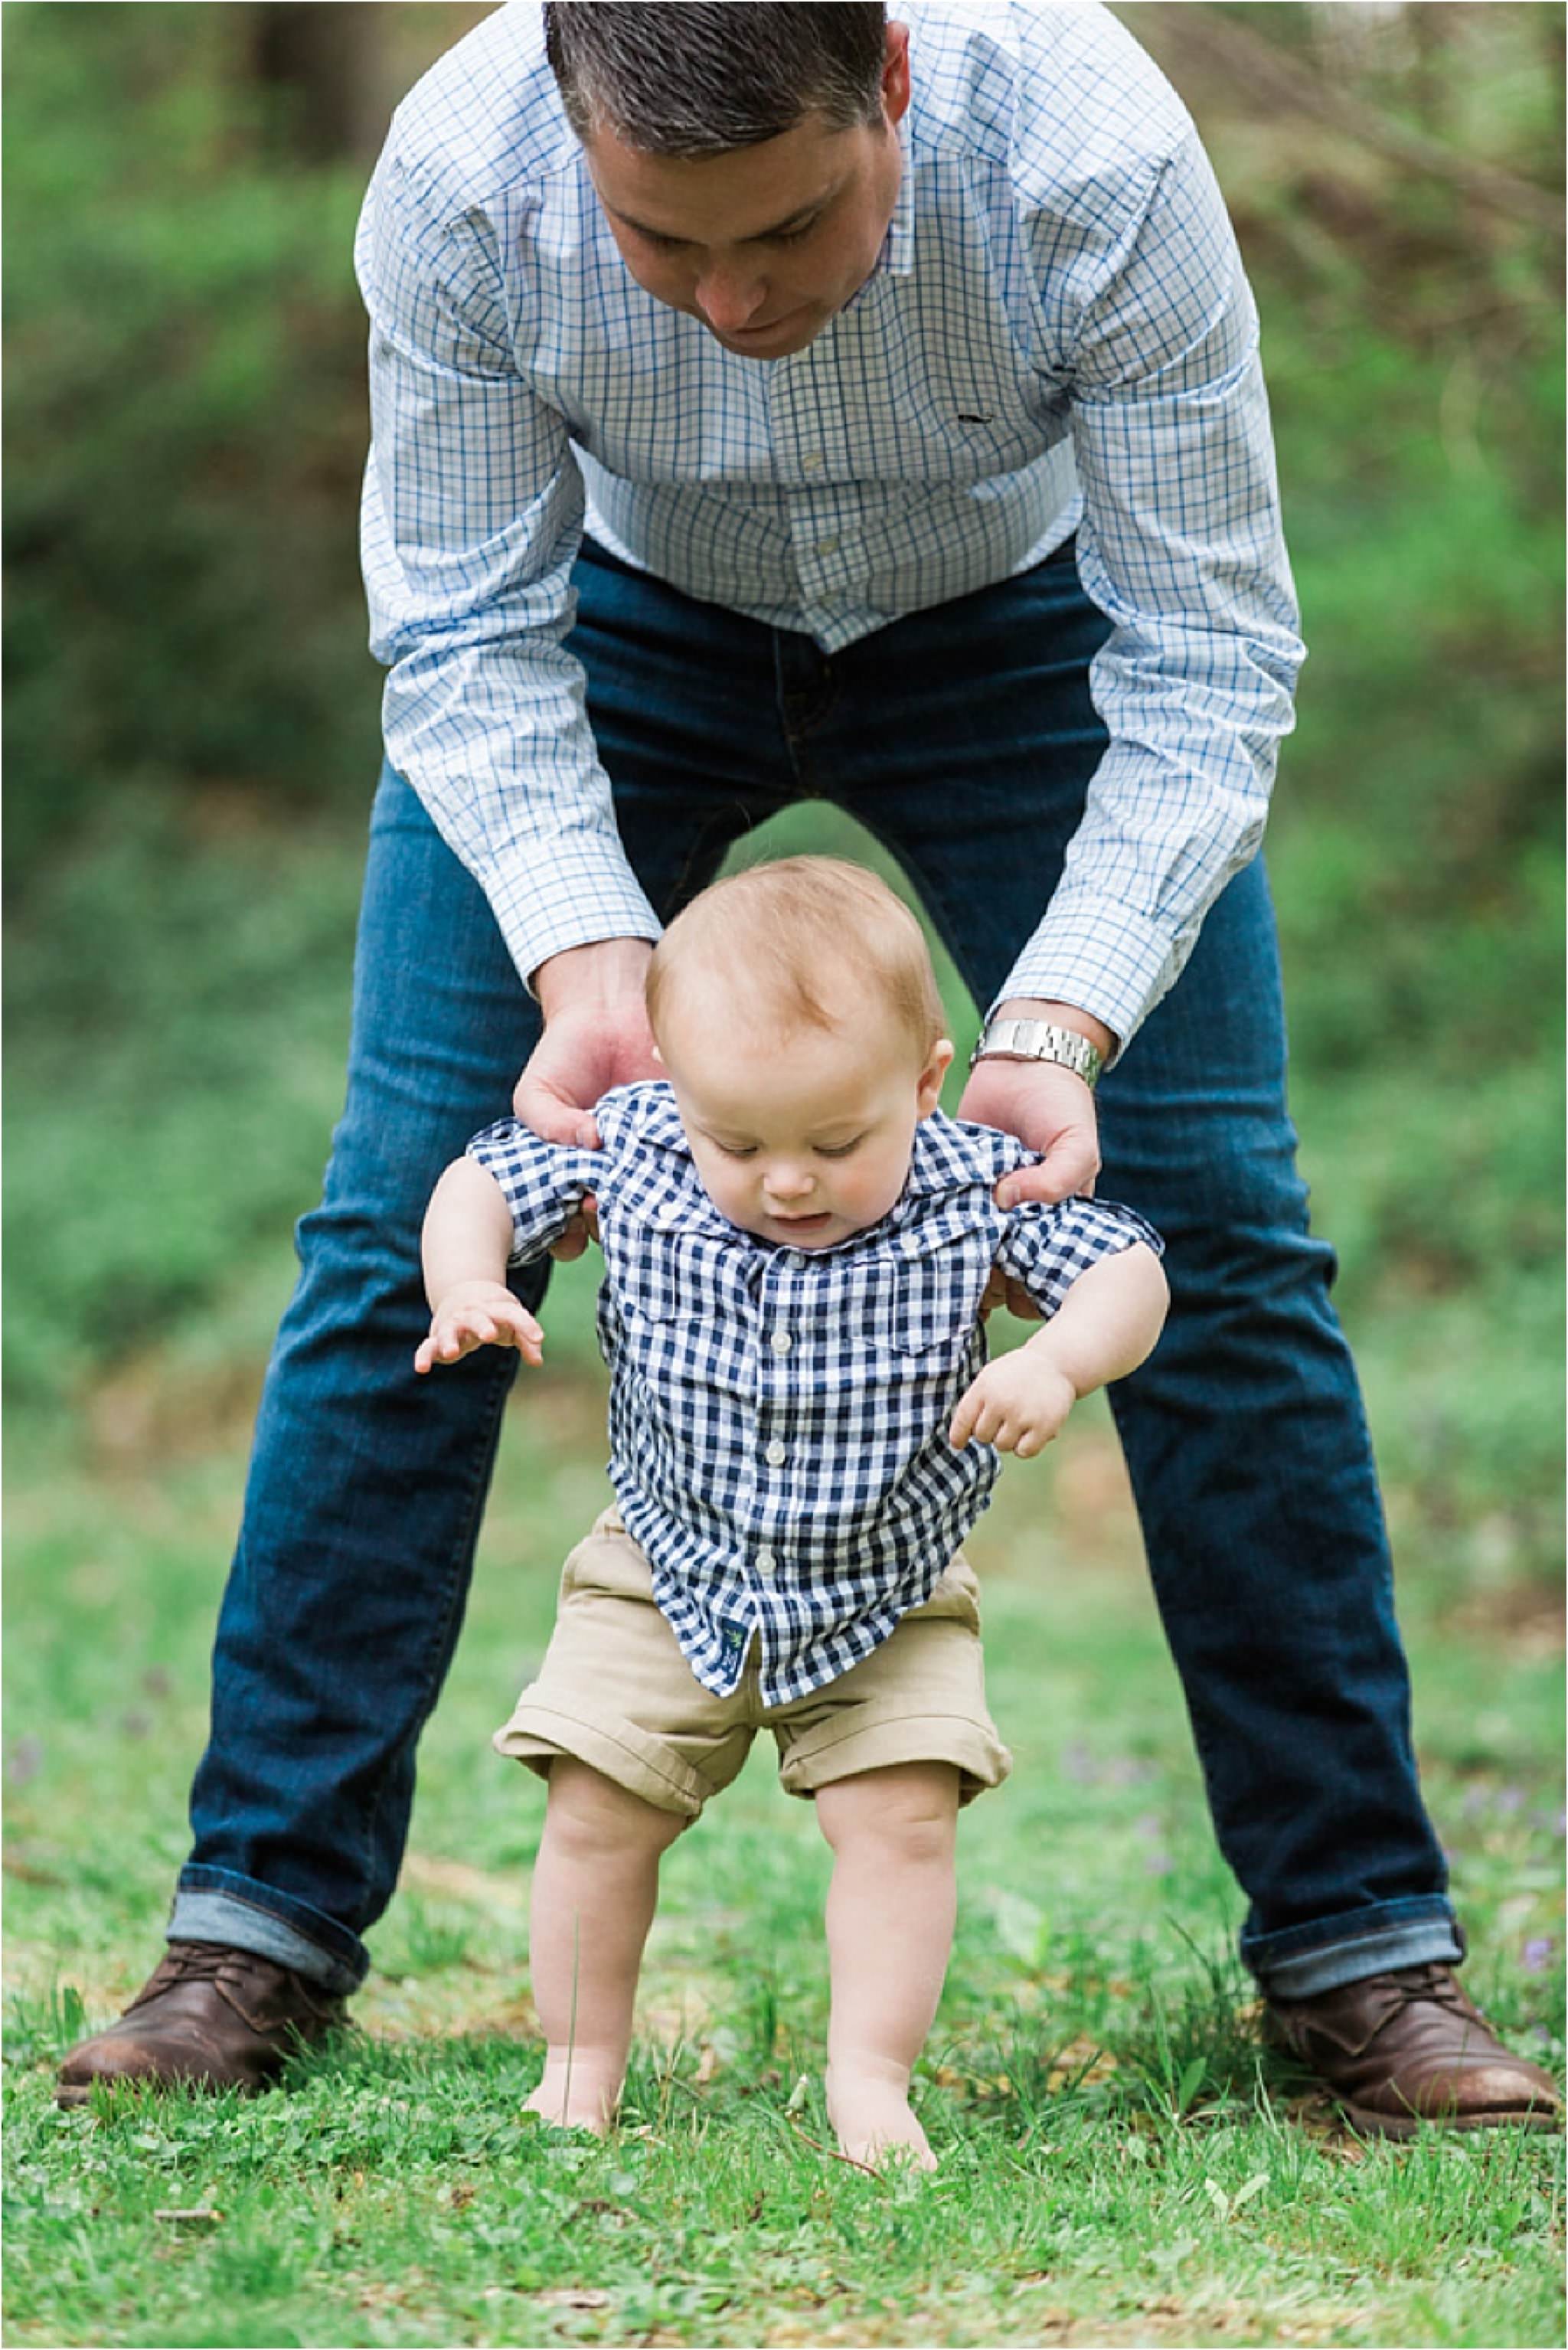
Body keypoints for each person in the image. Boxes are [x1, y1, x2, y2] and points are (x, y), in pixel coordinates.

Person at [60, 2, 1560, 2137]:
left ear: (891, 88)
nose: (733, 301)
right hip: (621, 631)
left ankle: (1357, 1958)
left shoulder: (1095, 158)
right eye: (662, 248)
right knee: (399, 1199)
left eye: (785, 228)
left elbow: (1214, 648)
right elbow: (466, 633)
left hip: (1023, 632)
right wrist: (587, 958)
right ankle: (255, 1931)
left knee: (1216, 1226)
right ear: (572, 133)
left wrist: (1054, 1025)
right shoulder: (465, 171)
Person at [414, 856, 1167, 2165]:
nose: (785, 1181)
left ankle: (871, 2079)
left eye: (835, 1141)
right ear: (673, 1088)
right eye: (739, 1141)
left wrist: (1055, 1357)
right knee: (595, 1802)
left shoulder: (973, 1185)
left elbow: (1127, 1266)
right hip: (664, 1565)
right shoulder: (639, 1144)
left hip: (892, 1585)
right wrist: (466, 1280)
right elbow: (483, 1178)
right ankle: (579, 2063)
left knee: (902, 1818)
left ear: (926, 1083)